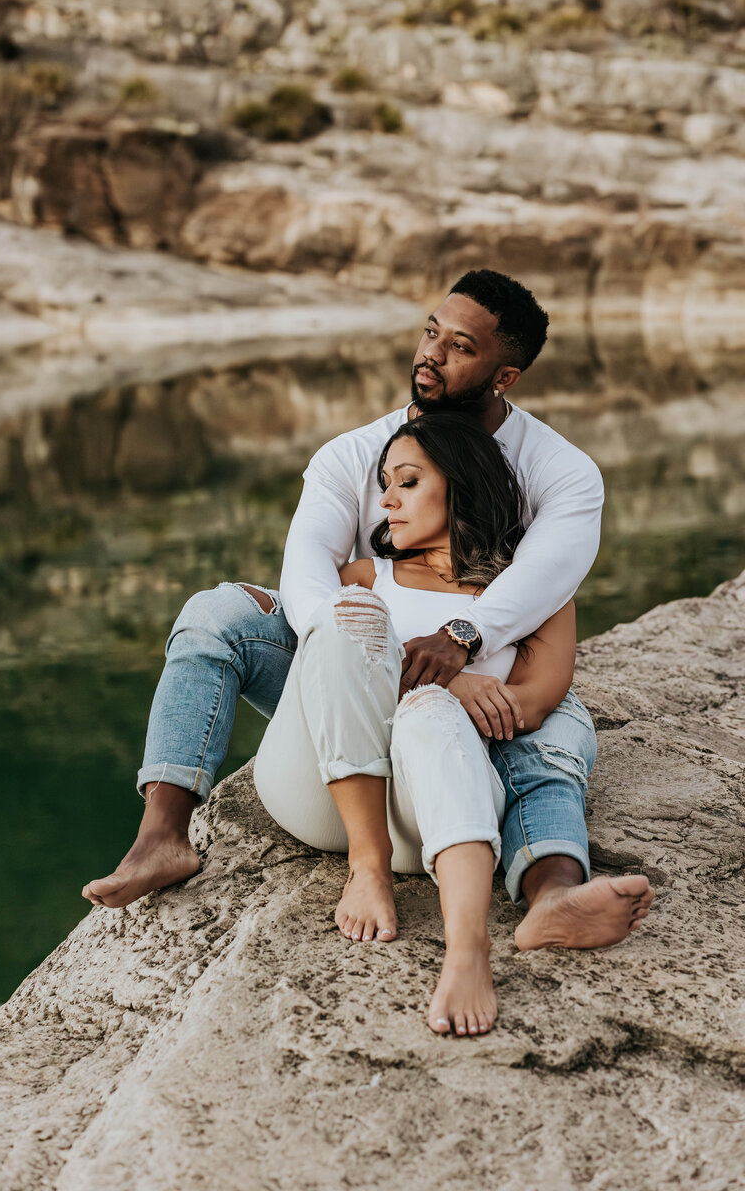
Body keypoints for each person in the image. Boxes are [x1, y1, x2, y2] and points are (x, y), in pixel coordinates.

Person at [82, 270, 654, 961]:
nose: (431, 355)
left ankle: (555, 892)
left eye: (459, 346)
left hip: (470, 685)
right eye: (429, 333)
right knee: (220, 614)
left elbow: (545, 581)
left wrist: (459, 646)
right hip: (353, 670)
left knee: (557, 723)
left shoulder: (561, 473)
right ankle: (162, 835)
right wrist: (373, 654)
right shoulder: (352, 455)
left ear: (503, 377)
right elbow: (306, 575)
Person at [253, 412, 652, 1035]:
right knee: (346, 617)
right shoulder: (365, 577)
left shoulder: (530, 595)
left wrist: (444, 692)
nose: (384, 500)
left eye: (407, 482)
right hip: (325, 795)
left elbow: (536, 703)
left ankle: (468, 952)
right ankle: (367, 866)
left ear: (462, 485)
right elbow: (330, 665)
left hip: (432, 812)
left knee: (431, 711)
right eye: (384, 482)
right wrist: (454, 676)